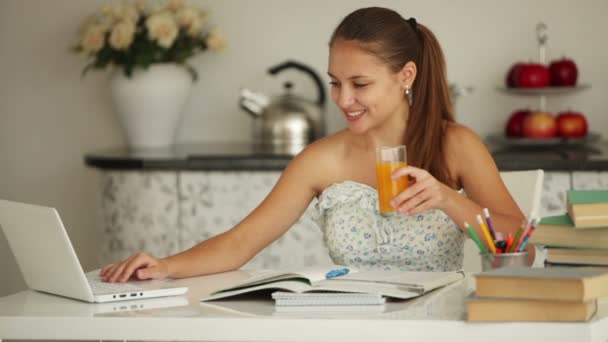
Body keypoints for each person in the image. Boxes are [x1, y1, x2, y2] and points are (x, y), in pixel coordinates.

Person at [101, 7, 526, 283]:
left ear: (406, 76)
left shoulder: (455, 145)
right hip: (348, 323)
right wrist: (164, 265)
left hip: (438, 327)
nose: (343, 100)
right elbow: (240, 243)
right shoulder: (321, 160)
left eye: (360, 84)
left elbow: (518, 240)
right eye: (336, 83)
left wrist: (447, 198)